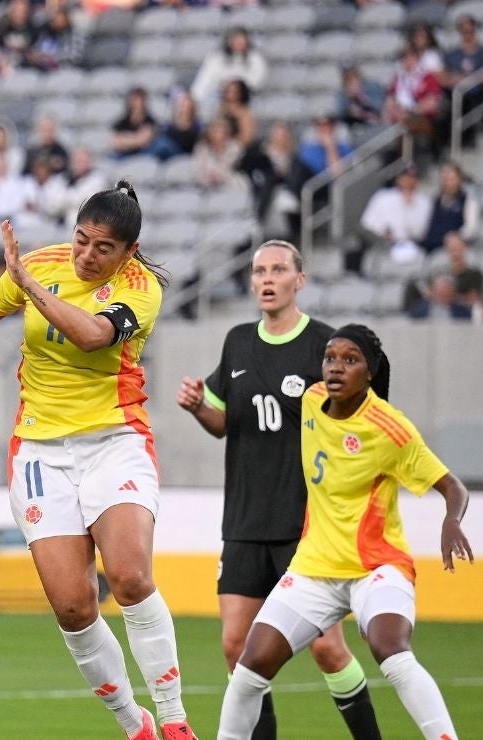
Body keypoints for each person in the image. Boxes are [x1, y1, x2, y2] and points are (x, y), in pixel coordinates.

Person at [0, 183, 195, 740]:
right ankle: (134, 724)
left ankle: (174, 717)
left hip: (115, 440)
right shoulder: (40, 264)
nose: (87, 255)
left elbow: (91, 336)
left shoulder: (141, 289)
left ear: (128, 252)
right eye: (81, 240)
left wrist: (27, 287)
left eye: (102, 248)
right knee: (71, 606)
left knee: (132, 578)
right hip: (40, 450)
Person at [217, 324, 473, 740]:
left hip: (376, 568)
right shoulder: (313, 399)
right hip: (315, 568)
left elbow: (452, 486)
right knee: (249, 667)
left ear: (369, 372)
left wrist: (451, 520)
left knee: (391, 652)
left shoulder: (390, 429)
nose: (335, 368)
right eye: (330, 358)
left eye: (349, 360)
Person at [176, 241, 382, 740]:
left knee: (327, 648)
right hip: (245, 522)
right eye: (259, 271)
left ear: (299, 280)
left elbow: (359, 423)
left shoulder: (327, 347)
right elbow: (225, 421)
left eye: (278, 270)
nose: (267, 279)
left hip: (305, 527)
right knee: (236, 646)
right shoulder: (238, 341)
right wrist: (199, 407)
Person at [421, 162, 478, 254]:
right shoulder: (435, 201)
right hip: (431, 248)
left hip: (453, 249)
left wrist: (457, 237)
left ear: (459, 180)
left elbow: (470, 229)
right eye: (445, 179)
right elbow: (425, 227)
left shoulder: (468, 200)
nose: (448, 183)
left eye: (451, 179)